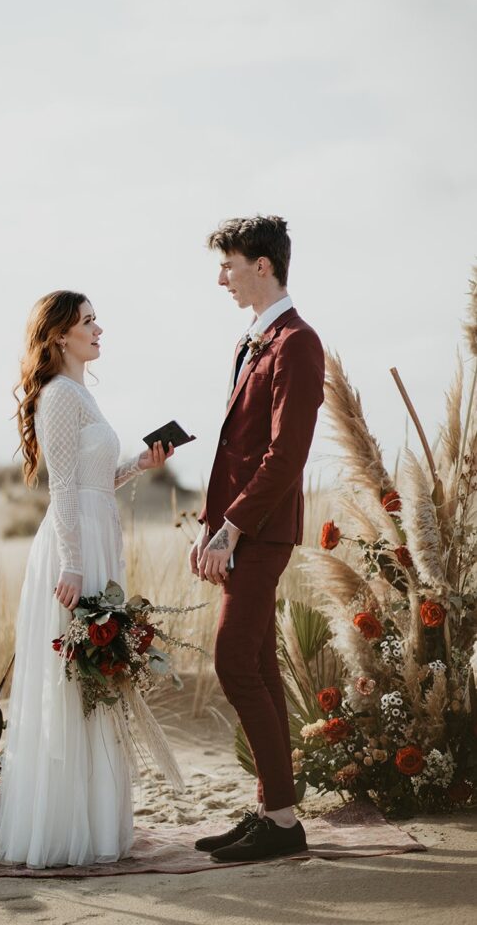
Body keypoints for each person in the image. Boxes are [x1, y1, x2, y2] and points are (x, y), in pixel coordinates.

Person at [0, 290, 172, 869]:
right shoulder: (59, 397)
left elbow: (92, 481)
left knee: (98, 679)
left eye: (97, 320)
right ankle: (66, 825)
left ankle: (98, 822)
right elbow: (63, 488)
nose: (100, 329)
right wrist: (72, 562)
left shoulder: (81, 395)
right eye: (88, 322)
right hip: (75, 545)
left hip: (96, 534)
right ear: (60, 336)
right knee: (76, 678)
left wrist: (138, 467)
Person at [190, 216, 324, 863]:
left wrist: (233, 529)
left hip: (263, 533)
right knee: (260, 665)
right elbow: (233, 451)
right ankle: (276, 812)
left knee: (233, 662)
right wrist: (210, 529)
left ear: (263, 265)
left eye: (229, 264)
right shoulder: (254, 339)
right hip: (240, 530)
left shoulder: (296, 343)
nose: (221, 278)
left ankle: (280, 821)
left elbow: (283, 457)